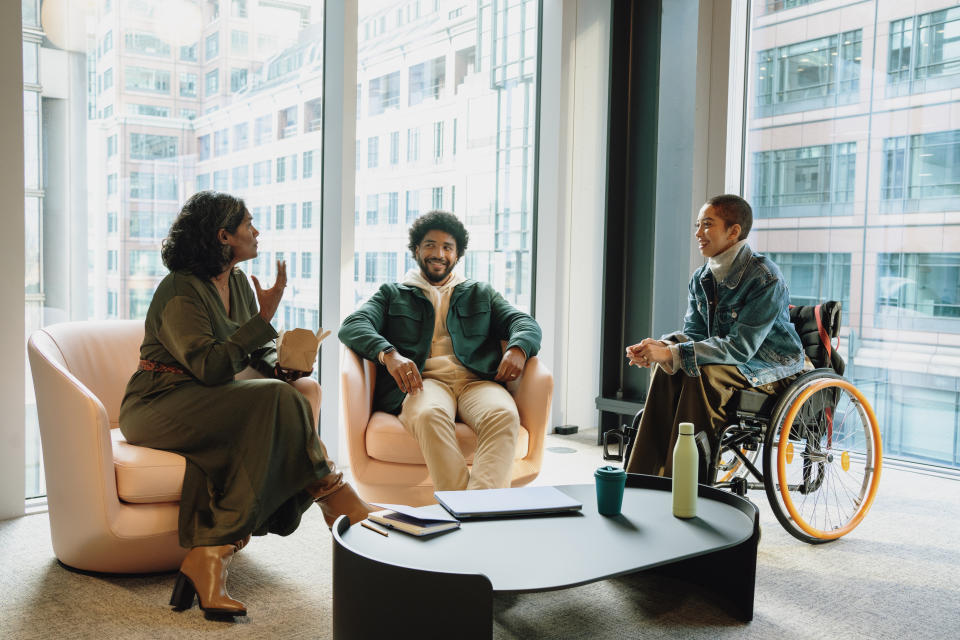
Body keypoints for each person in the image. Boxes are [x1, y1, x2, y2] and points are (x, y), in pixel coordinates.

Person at [119, 191, 373, 617]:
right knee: (275, 400)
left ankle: (210, 555)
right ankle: (332, 493)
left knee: (287, 393)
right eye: (248, 224)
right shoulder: (180, 290)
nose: (256, 232)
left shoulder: (236, 280)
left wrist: (284, 367)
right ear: (223, 236)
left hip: (204, 398)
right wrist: (263, 320)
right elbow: (212, 366)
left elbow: (256, 351)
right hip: (157, 401)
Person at [338, 210, 542, 491]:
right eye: (431, 245)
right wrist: (389, 354)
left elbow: (523, 322)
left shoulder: (480, 292)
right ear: (416, 250)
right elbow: (353, 325)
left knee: (504, 415)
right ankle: (472, 513)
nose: (439, 253)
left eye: (448, 247)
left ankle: (474, 513)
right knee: (428, 415)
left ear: (457, 255)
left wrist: (519, 347)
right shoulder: (392, 293)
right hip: (423, 383)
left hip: (477, 381)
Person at [624, 194, 804, 477]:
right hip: (731, 363)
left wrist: (672, 353)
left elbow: (742, 347)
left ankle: (682, 483)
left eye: (707, 224)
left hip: (770, 369)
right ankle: (642, 478)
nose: (698, 233)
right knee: (667, 370)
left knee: (697, 374)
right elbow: (695, 334)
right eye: (698, 225)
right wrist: (661, 347)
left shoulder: (764, 276)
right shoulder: (702, 278)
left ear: (734, 231)